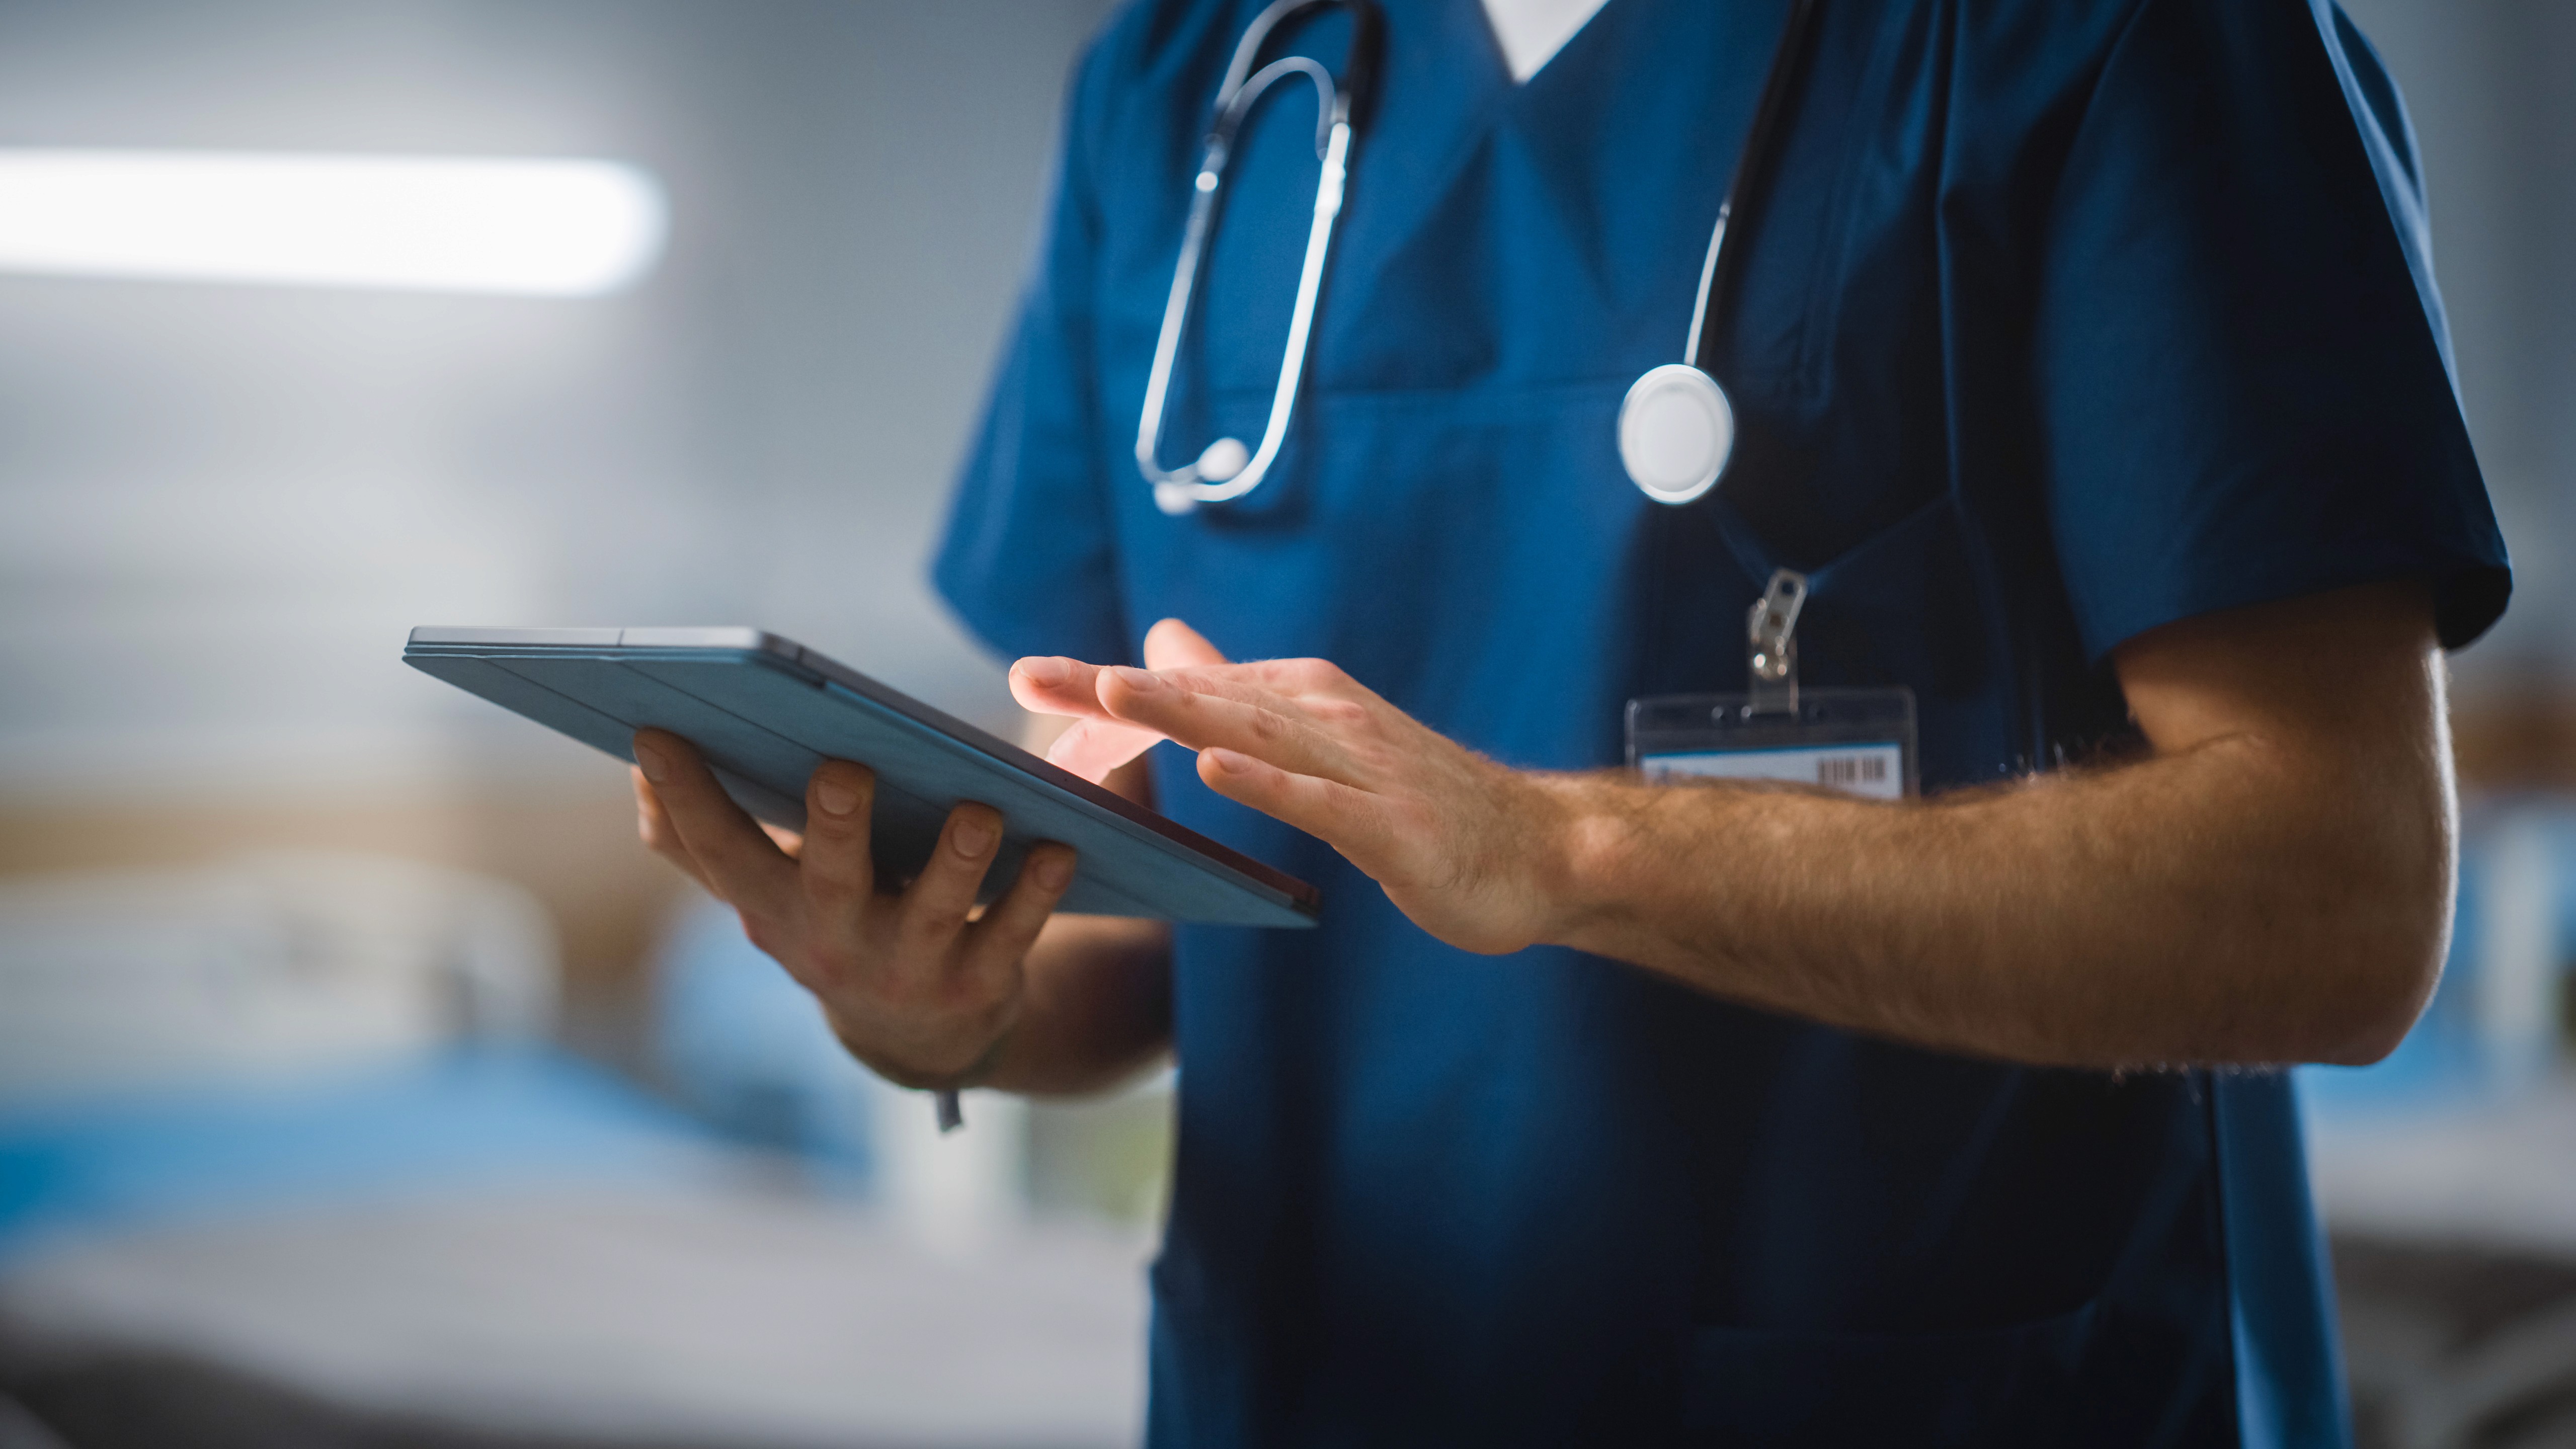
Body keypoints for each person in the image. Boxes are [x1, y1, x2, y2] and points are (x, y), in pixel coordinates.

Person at [626, 0, 2510, 1442]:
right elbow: (1125, 905)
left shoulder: (2119, 40)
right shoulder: (1192, 85)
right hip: (1303, 1382)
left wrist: (1560, 850)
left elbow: (2335, 896)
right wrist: (935, 1000)